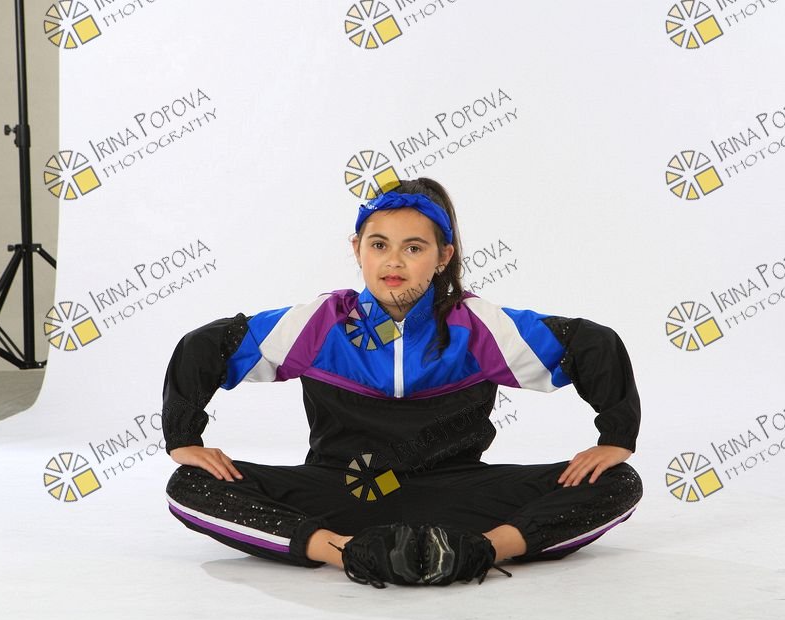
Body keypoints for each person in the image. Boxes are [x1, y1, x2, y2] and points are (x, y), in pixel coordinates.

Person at [162, 177, 643, 588]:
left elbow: (588, 343)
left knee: (617, 481)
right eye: (379, 245)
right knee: (190, 484)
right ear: (357, 249)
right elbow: (210, 345)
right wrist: (184, 438)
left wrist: (615, 438)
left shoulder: (480, 327)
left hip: (457, 494)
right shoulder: (318, 323)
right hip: (344, 492)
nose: (394, 262)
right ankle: (346, 552)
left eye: (413, 248)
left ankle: (480, 550)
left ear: (442, 256)